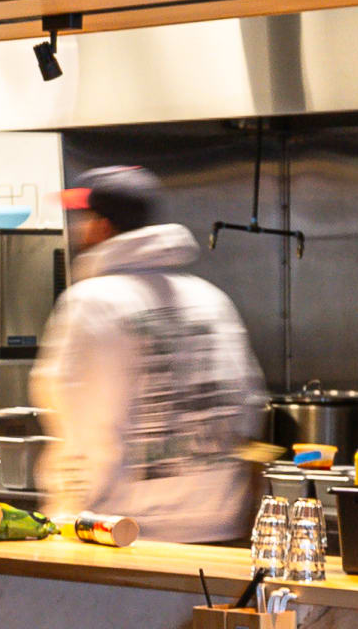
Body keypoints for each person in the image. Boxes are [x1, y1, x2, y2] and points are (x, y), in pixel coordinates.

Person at [31, 165, 267, 543]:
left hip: (128, 534)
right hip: (220, 527)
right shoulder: (211, 299)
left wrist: (66, 515)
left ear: (102, 226)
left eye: (83, 218)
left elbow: (81, 423)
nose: (79, 230)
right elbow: (247, 407)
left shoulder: (93, 303)